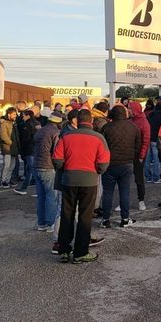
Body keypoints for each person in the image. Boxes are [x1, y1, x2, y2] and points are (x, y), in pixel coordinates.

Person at [53, 109, 110, 264]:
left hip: (68, 180)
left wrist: (65, 168)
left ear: (77, 121)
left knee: (67, 214)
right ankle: (80, 252)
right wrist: (96, 171)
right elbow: (104, 162)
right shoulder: (98, 138)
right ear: (91, 121)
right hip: (89, 181)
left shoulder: (66, 136)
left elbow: (57, 159)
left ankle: (64, 250)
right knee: (85, 216)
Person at [100, 105, 141, 228]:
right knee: (125, 192)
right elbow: (137, 145)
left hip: (110, 164)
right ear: (125, 114)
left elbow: (102, 146)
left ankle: (105, 219)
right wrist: (132, 156)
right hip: (127, 163)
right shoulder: (133, 127)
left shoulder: (106, 128)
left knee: (107, 192)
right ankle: (125, 218)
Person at [32, 112, 63, 230]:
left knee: (41, 197)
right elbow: (56, 152)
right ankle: (51, 223)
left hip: (36, 165)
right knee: (51, 196)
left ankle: (41, 223)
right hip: (48, 166)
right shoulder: (56, 133)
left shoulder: (40, 131)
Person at [128, 101, 151, 211]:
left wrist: (142, 156)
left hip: (138, 155)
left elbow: (146, 140)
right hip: (129, 154)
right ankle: (124, 201)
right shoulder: (130, 121)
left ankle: (141, 200)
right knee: (125, 178)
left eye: (129, 108)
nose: (128, 110)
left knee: (139, 178)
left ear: (134, 110)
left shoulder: (144, 122)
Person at [14, 110, 39, 195]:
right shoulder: (37, 123)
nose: (22, 117)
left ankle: (36, 190)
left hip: (29, 149)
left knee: (32, 170)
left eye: (23, 115)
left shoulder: (27, 125)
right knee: (30, 170)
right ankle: (24, 188)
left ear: (28, 115)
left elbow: (25, 139)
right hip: (35, 149)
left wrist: (22, 151)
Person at [146, 100, 161, 184]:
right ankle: (156, 177)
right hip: (158, 139)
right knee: (157, 159)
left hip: (150, 138)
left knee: (148, 159)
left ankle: (148, 176)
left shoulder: (151, 114)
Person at [0, 107, 19, 189]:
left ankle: (8, 180)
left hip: (14, 147)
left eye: (15, 114)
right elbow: (3, 136)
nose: (15, 116)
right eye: (14, 114)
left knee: (12, 165)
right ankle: (3, 181)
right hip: (7, 148)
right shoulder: (4, 123)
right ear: (9, 114)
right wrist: (10, 142)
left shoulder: (14, 123)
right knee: (7, 165)